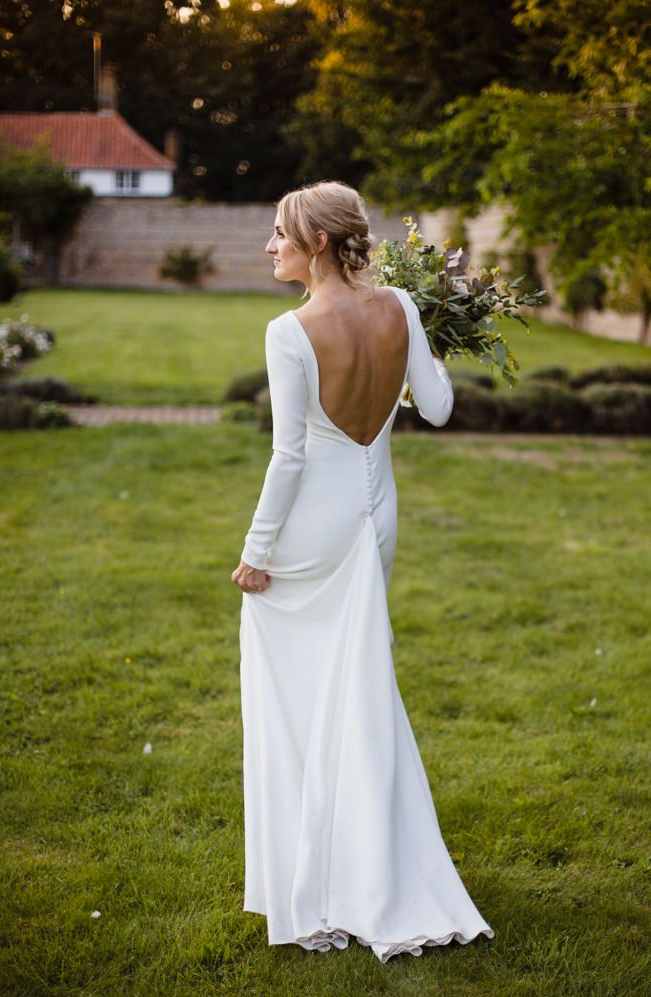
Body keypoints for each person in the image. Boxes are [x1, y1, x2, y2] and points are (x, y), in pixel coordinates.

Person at [231, 180, 493, 963]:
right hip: (377, 518)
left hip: (312, 525)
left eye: (278, 233)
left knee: (298, 694)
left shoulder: (290, 330)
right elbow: (438, 408)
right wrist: (424, 332)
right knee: (360, 682)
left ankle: (318, 877)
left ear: (316, 242)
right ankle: (368, 863)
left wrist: (256, 550)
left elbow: (289, 455)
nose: (269, 247)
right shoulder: (403, 310)